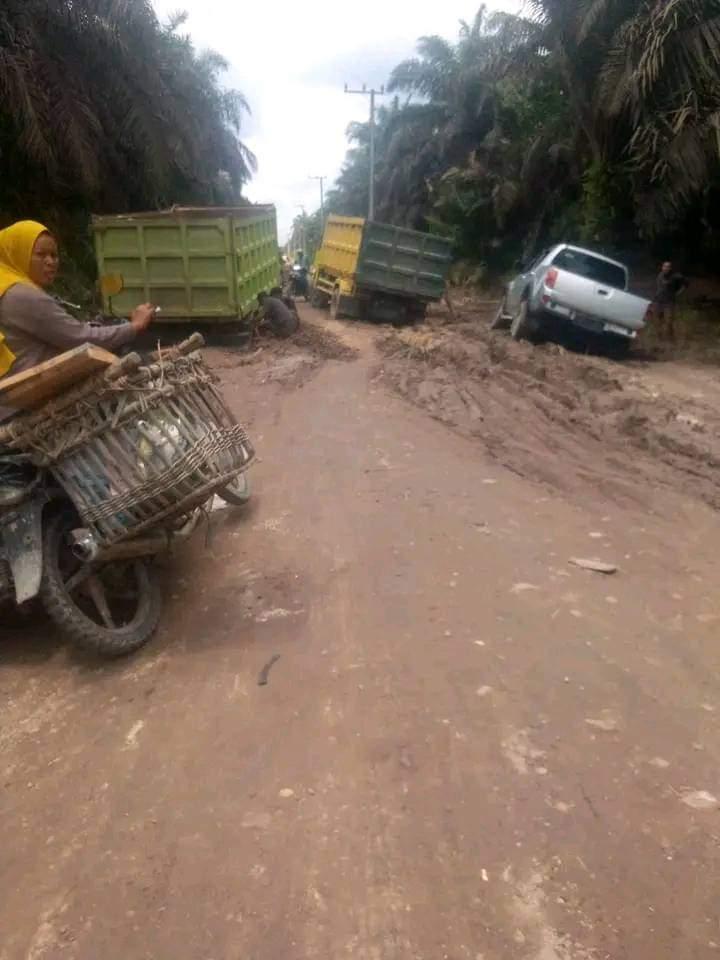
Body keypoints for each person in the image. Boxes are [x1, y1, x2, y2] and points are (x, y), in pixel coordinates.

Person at [0, 220, 155, 423]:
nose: (50, 262)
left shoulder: (5, 287)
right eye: (40, 254)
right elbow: (81, 338)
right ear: (16, 252)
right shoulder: (21, 295)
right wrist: (134, 326)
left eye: (54, 255)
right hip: (26, 406)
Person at [653, 260, 688, 340]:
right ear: (662, 267)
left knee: (669, 321)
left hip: (669, 302)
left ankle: (670, 337)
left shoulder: (676, 276)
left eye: (667, 266)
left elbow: (686, 283)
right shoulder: (660, 275)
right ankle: (660, 337)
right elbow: (659, 287)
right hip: (659, 301)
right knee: (659, 320)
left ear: (670, 268)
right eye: (664, 266)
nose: (665, 268)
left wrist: (678, 293)